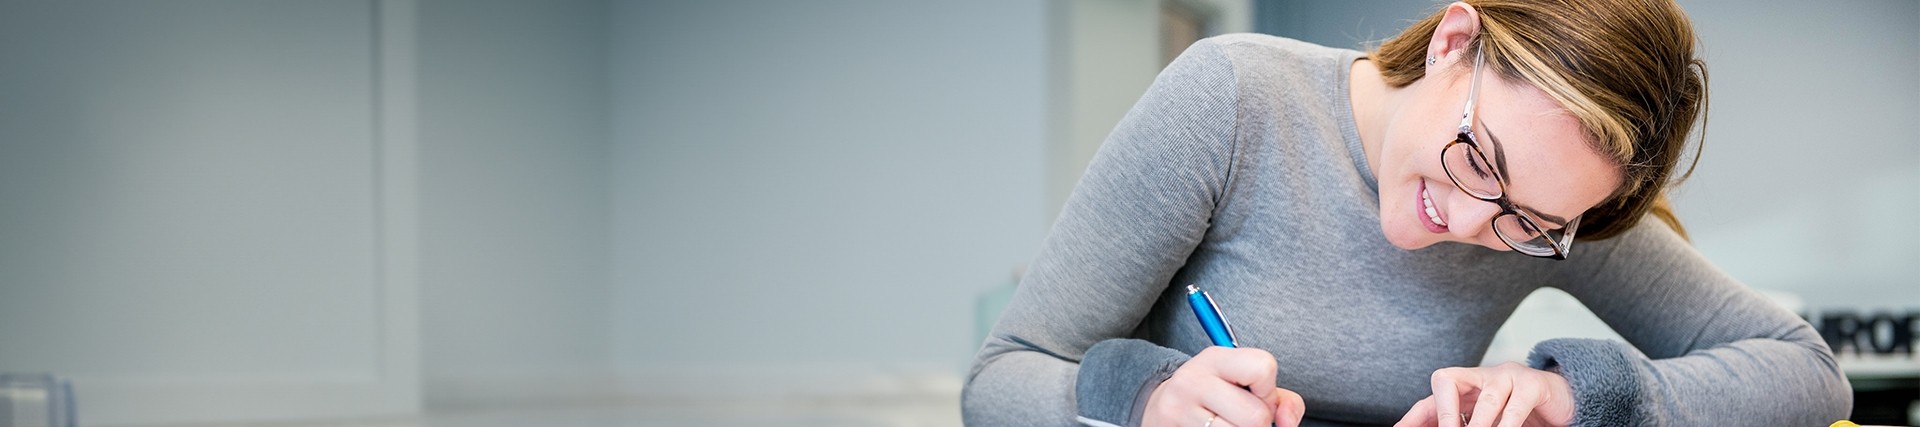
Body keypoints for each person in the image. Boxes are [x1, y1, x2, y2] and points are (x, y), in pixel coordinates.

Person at [962, 0, 1854, 426]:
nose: (1470, 220)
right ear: (1454, 43)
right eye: (1479, 160)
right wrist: (1149, 398)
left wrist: (1579, 393)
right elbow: (1002, 376)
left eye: (1524, 220)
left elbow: (1809, 373)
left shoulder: (1551, 218)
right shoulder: (1233, 101)